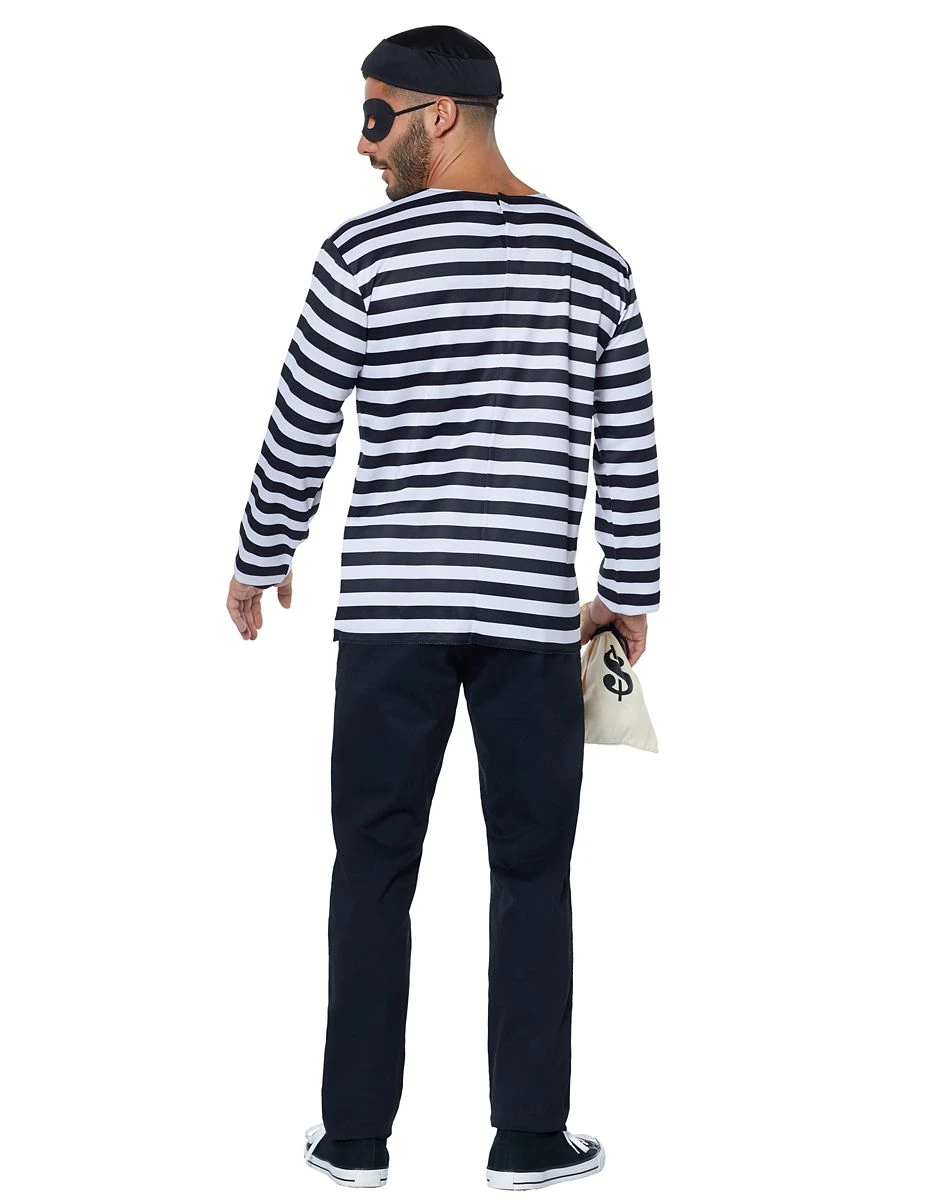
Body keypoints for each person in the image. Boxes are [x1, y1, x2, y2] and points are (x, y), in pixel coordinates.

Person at [225, 24, 660, 1191]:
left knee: (371, 863)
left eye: (376, 116)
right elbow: (626, 452)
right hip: (527, 617)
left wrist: (258, 555)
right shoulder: (594, 263)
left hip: (391, 616)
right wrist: (628, 596)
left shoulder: (359, 255)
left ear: (441, 116)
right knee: (533, 869)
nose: (361, 142)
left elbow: (302, 420)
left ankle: (353, 1140)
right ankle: (527, 1139)